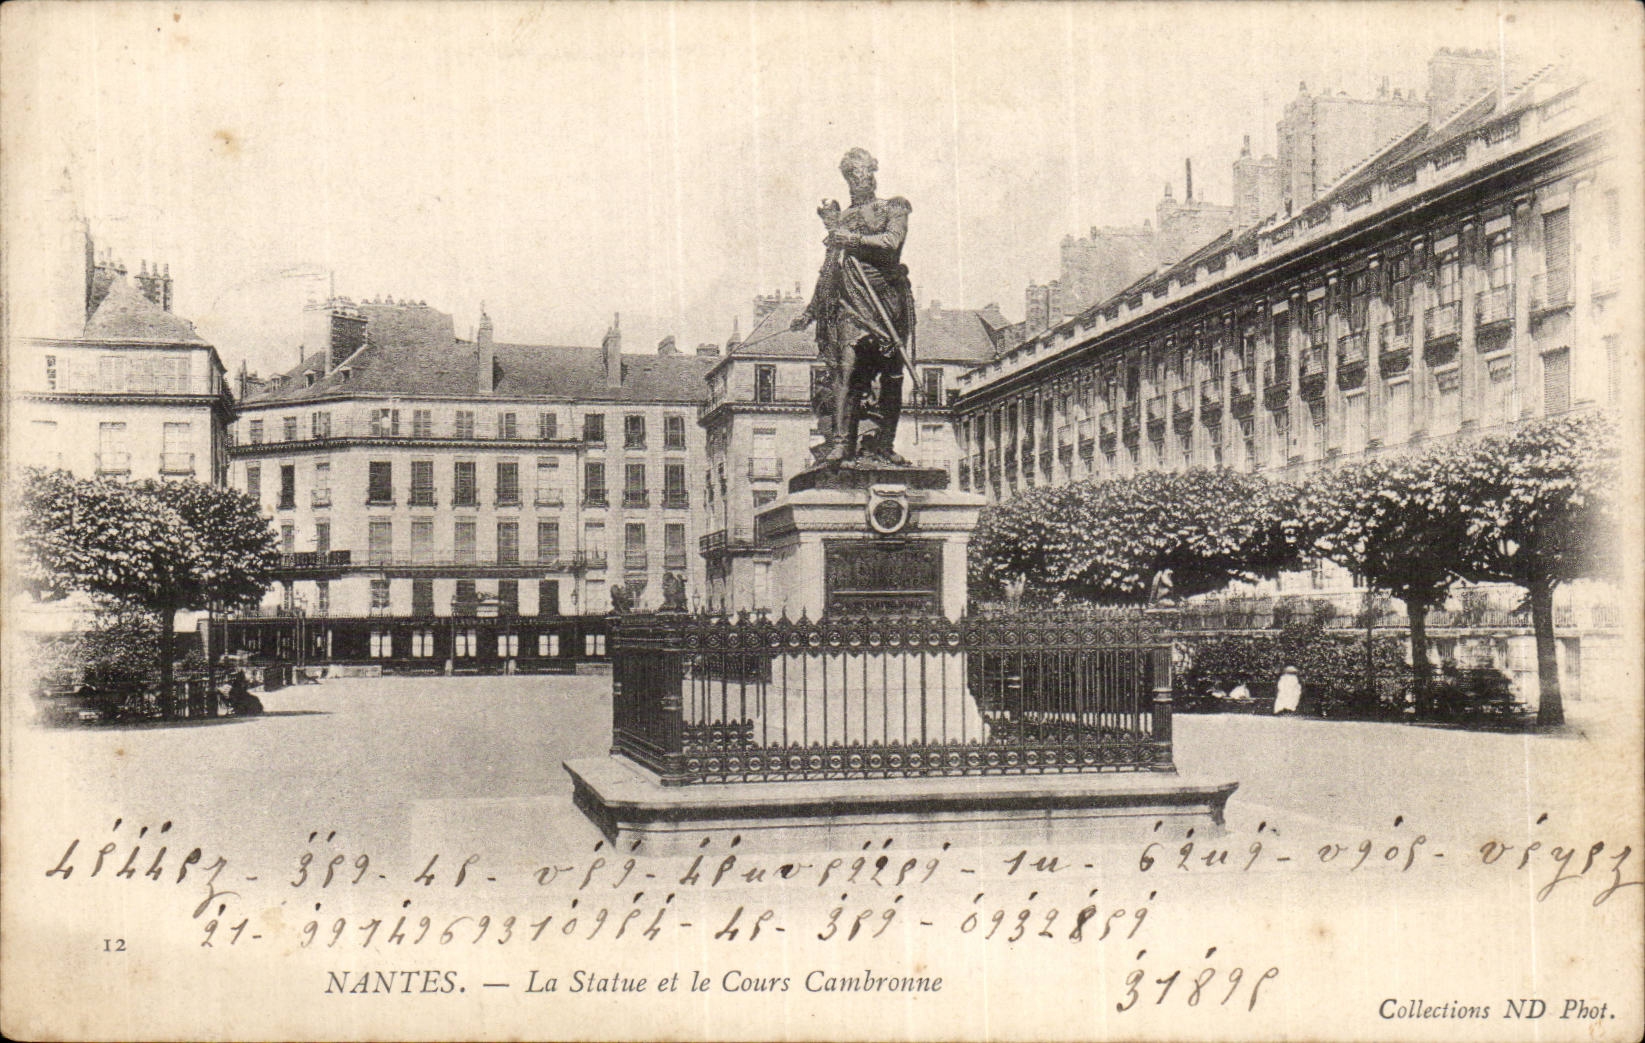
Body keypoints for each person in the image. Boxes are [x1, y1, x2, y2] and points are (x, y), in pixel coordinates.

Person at [792, 147, 916, 465]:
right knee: (846, 372)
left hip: (887, 301)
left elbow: (892, 243)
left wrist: (853, 240)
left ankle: (884, 444)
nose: (860, 182)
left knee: (891, 375)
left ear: (873, 175)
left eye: (864, 174)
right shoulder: (843, 219)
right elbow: (830, 268)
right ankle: (843, 443)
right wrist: (810, 311)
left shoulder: (894, 207)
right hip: (852, 302)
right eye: (852, 177)